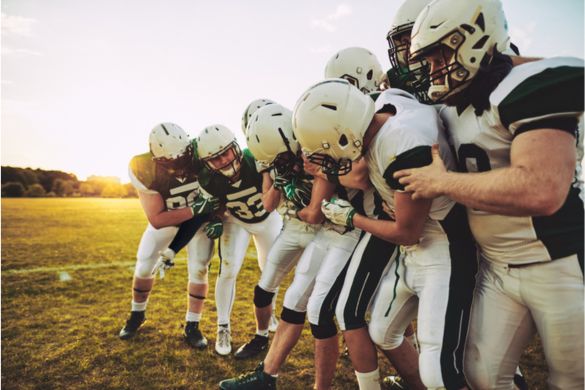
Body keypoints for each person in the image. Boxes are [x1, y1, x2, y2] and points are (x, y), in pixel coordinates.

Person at [394, 0, 584, 388]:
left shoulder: (534, 82)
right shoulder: (449, 105)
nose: (434, 70)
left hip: (559, 264)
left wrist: (443, 182)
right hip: (497, 270)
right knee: (483, 376)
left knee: (572, 380)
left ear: (476, 38)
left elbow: (541, 189)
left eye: (440, 55)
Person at [293, 79, 478, 390]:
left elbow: (407, 231)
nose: (331, 164)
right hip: (416, 251)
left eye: (328, 151)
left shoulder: (401, 144)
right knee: (382, 331)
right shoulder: (387, 104)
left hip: (443, 250)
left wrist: (354, 218)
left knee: (441, 371)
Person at [119, 123, 220, 349]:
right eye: (171, 161)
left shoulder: (203, 154)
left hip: (200, 224)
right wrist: (195, 209)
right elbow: (156, 218)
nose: (179, 165)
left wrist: (207, 214)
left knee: (199, 268)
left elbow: (216, 200)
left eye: (183, 157)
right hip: (169, 220)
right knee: (145, 263)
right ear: (157, 159)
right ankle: (137, 314)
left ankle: (192, 325)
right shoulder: (143, 167)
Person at [235, 103, 320, 359]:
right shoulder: (267, 160)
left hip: (323, 230)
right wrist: (280, 182)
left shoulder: (311, 143)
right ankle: (261, 336)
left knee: (320, 300)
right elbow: (269, 204)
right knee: (263, 290)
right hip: (293, 227)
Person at [195, 124, 283, 356]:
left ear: (236, 146)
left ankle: (269, 311)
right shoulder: (207, 179)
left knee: (270, 271)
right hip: (237, 221)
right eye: (215, 158)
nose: (223, 160)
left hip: (268, 219)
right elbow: (216, 204)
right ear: (206, 163)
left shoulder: (256, 159)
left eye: (225, 152)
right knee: (228, 269)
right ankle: (223, 326)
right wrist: (214, 217)